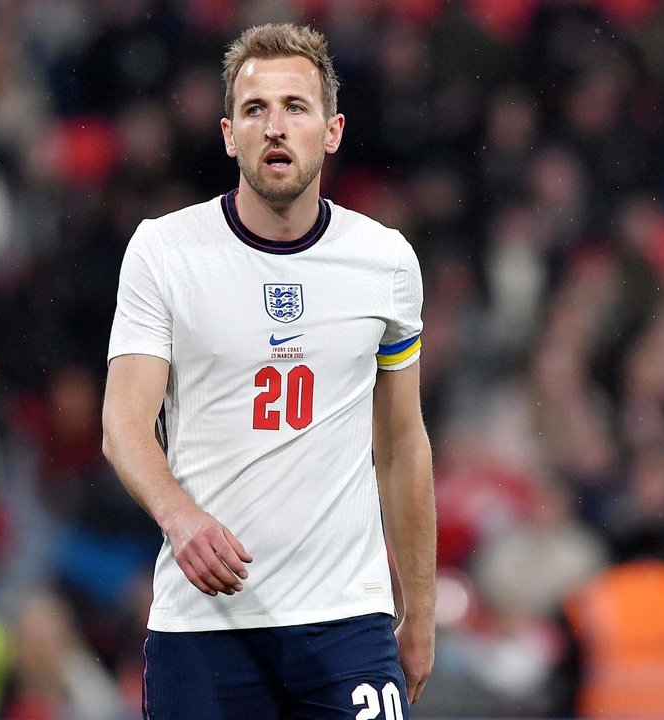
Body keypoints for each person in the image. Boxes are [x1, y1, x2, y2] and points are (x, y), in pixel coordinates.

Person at [101, 22, 435, 720]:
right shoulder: (165, 252)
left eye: (295, 107)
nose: (275, 127)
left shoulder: (386, 261)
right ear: (229, 134)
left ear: (333, 130)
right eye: (255, 110)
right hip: (204, 628)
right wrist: (179, 517)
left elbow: (402, 445)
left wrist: (420, 616)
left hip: (348, 622)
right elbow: (124, 426)